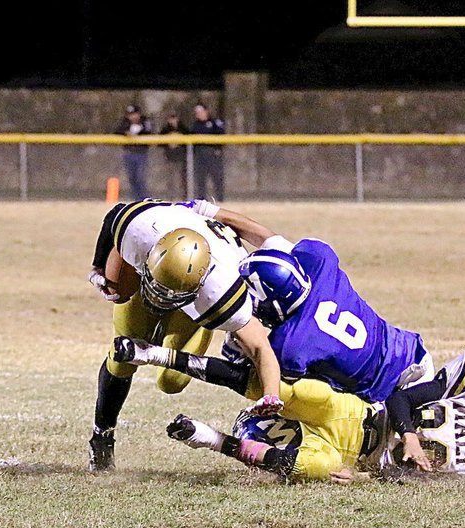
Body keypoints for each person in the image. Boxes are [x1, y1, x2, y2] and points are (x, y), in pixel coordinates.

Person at [111, 337, 465, 485]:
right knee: (271, 383)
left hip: (347, 449)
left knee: (315, 467)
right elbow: (400, 393)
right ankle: (162, 355)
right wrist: (411, 434)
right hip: (359, 412)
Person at [85, 198, 283, 473]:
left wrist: (271, 394)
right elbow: (115, 217)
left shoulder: (221, 294)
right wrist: (98, 266)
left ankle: (164, 341)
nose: (163, 299)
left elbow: (261, 347)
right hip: (155, 271)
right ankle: (102, 435)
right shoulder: (141, 231)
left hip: (194, 303)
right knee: (121, 358)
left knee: (171, 382)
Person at [206, 209, 435, 403]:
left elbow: (255, 368)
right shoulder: (319, 261)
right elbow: (267, 237)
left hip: (393, 395)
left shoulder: (290, 345)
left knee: (288, 401)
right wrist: (209, 211)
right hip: (413, 353)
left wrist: (236, 344)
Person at [114, 104, 153, 200]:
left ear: (138, 114)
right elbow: (117, 131)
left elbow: (149, 132)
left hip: (141, 153)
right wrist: (126, 133)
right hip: (128, 153)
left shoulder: (145, 121)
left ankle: (144, 199)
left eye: (134, 114)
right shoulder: (125, 123)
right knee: (132, 179)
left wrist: (138, 134)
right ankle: (136, 199)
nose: (132, 116)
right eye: (130, 114)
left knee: (140, 178)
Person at [191, 103, 225, 201]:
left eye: (200, 112)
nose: (198, 114)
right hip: (200, 154)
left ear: (206, 111)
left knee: (217, 177)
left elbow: (222, 135)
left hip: (212, 153)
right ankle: (201, 200)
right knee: (200, 178)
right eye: (197, 113)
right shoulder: (195, 125)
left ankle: (220, 199)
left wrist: (218, 148)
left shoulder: (215, 122)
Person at [159, 112, 189, 200]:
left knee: (182, 180)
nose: (172, 121)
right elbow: (159, 142)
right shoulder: (165, 129)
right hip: (169, 158)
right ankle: (170, 198)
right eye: (170, 119)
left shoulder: (182, 128)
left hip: (181, 158)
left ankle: (184, 198)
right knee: (170, 180)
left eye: (174, 118)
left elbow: (189, 138)